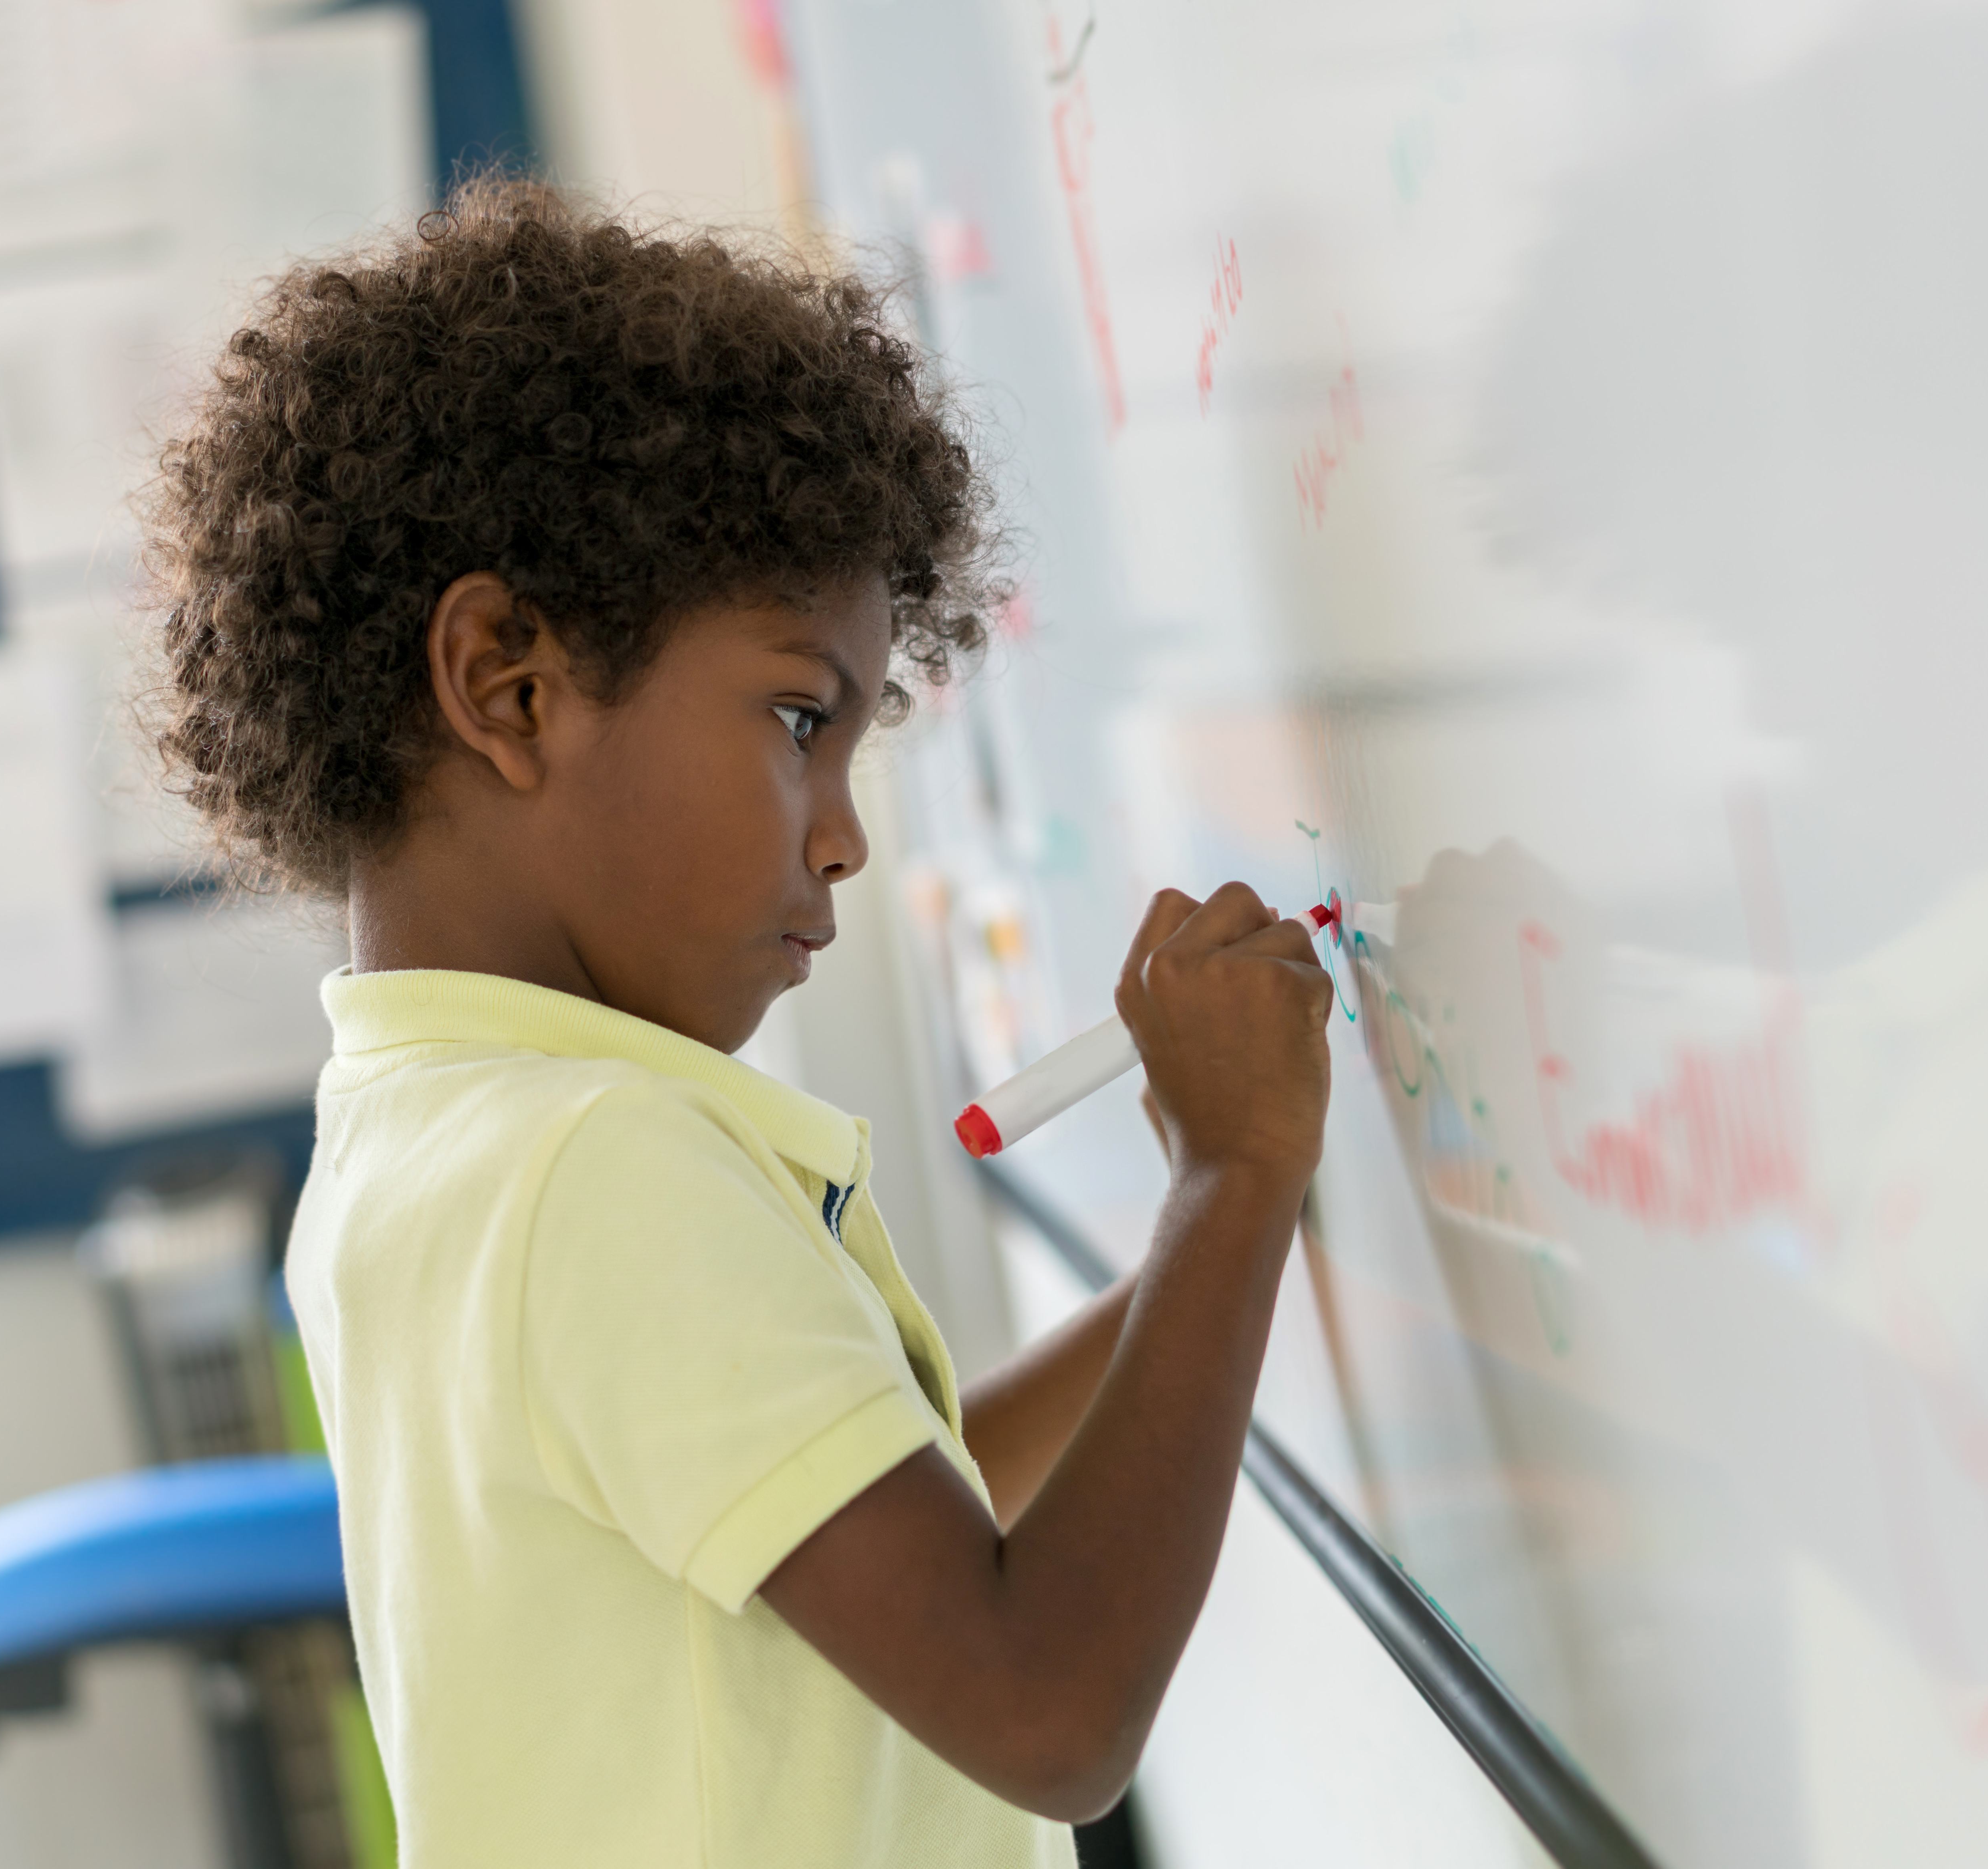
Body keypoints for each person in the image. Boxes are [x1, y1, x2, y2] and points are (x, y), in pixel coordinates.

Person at [142, 175, 1333, 1869]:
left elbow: (877, 1517)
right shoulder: (595, 1168)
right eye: (798, 718)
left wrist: (1217, 1248)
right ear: (509, 684)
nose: (843, 832)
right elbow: (1051, 1712)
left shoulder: (430, 1132)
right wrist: (1235, 1180)